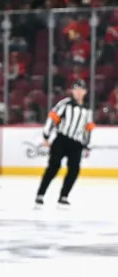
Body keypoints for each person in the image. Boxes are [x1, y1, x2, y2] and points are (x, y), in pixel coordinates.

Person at [35, 79, 94, 207]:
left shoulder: (87, 109)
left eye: (81, 90)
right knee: (53, 168)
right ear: (72, 91)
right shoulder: (65, 104)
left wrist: (87, 144)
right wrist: (46, 135)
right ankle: (40, 194)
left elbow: (88, 128)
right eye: (76, 89)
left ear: (85, 92)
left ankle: (64, 196)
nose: (78, 92)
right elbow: (53, 117)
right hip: (62, 139)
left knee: (74, 170)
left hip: (77, 144)